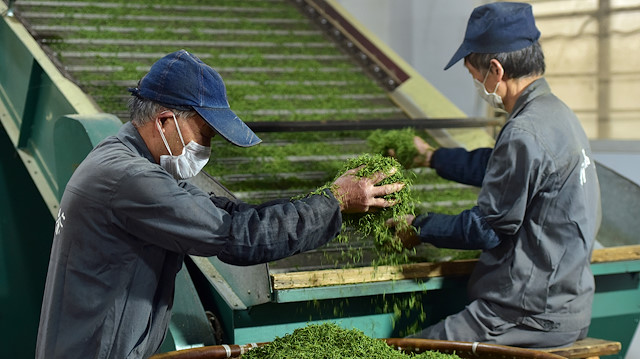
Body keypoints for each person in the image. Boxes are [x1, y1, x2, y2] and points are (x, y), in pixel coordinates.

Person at [36, 49, 404, 359]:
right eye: (205, 134)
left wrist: (323, 201)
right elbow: (238, 238)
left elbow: (231, 214)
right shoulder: (132, 179)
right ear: (166, 121)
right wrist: (336, 201)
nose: (206, 149)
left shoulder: (132, 164)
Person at [389, 2, 601, 349]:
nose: (476, 83)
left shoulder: (525, 131)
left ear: (496, 71)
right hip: (566, 304)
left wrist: (419, 227)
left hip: (524, 315)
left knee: (409, 351)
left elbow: (486, 227)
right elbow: (501, 168)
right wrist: (431, 157)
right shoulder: (557, 115)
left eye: (474, 74)